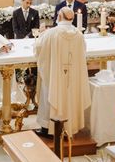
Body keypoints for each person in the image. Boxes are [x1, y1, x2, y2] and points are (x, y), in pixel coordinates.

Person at [35, 7, 90, 137]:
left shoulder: (51, 33)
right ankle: (71, 126)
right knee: (71, 96)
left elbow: (38, 49)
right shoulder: (79, 35)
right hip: (72, 77)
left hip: (55, 76)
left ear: (59, 17)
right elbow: (83, 54)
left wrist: (41, 34)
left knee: (51, 93)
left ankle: (49, 128)